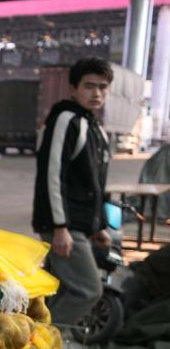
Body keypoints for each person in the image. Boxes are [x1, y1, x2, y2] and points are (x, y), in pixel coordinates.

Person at [32, 57, 113, 328]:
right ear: (73, 89)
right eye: (89, 86)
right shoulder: (67, 120)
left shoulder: (95, 128)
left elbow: (95, 185)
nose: (97, 93)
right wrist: (59, 227)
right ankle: (42, 341)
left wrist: (98, 225)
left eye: (102, 87)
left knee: (62, 289)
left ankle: (42, 345)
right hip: (64, 227)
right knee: (88, 290)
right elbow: (52, 175)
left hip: (78, 226)